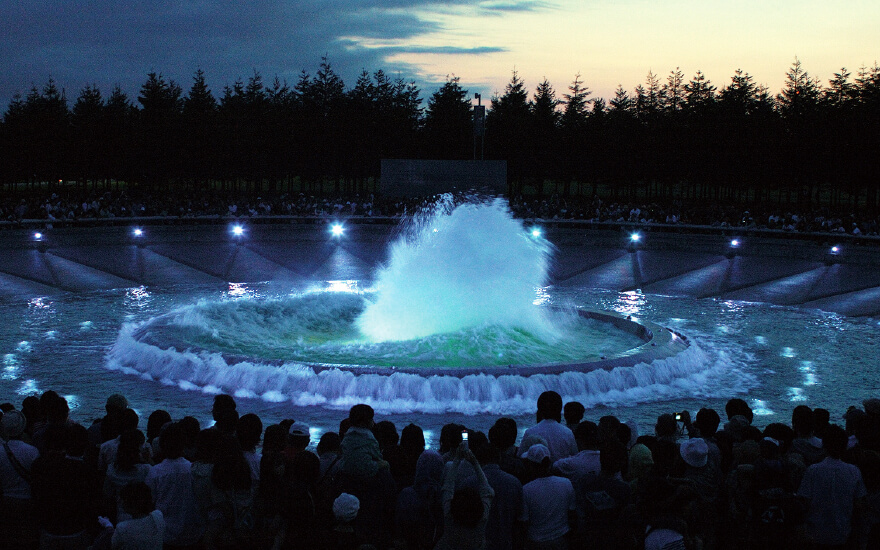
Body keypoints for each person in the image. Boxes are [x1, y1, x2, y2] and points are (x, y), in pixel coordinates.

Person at [798, 424, 867, 547]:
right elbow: (859, 504)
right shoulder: (854, 471)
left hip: (815, 534)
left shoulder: (813, 470)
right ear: (845, 446)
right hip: (843, 534)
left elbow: (804, 502)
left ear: (824, 445)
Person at [145, 422, 205, 548]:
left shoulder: (155, 472)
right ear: (183, 444)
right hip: (193, 534)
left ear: (162, 445)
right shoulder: (194, 470)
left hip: (164, 533)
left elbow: (149, 501)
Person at [434, 442, 495, 550]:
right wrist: (475, 463)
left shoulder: (449, 516)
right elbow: (487, 491)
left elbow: (448, 486)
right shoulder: (482, 518)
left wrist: (457, 459)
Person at [519, 443, 577, 549]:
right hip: (562, 539)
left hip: (536, 542)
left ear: (531, 465)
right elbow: (572, 513)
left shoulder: (526, 490)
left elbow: (524, 522)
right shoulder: (566, 483)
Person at [520, 391, 578, 463]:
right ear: (559, 409)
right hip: (560, 473)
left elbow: (520, 456)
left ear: (539, 409)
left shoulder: (530, 432)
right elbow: (575, 456)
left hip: (537, 473)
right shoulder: (567, 432)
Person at [111, 482, 165, 550]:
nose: (119, 501)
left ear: (130, 502)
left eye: (123, 499)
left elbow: (113, 545)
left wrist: (108, 527)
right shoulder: (158, 515)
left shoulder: (122, 528)